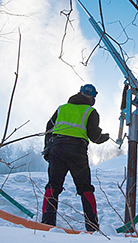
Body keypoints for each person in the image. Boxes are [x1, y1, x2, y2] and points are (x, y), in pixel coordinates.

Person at [41, 84, 109, 232]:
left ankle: (46, 223)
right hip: (77, 151)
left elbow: (49, 128)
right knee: (85, 188)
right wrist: (105, 137)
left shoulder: (62, 108)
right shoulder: (91, 111)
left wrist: (47, 149)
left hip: (57, 149)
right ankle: (92, 227)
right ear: (92, 98)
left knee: (53, 185)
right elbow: (94, 136)